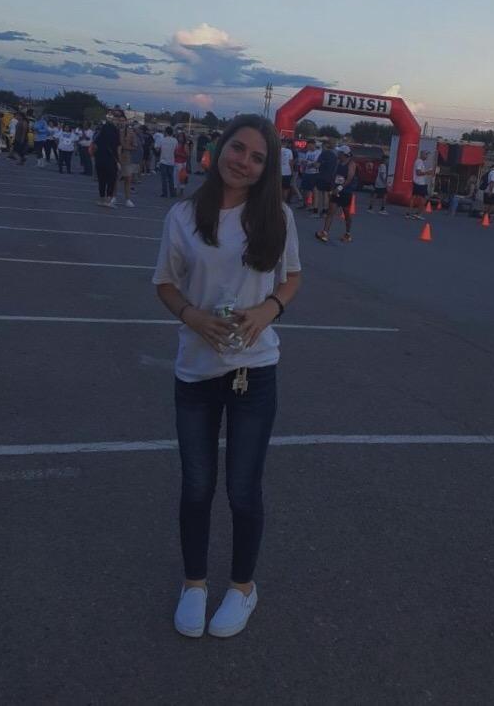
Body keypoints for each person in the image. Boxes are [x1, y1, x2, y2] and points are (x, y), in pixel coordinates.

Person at [153, 114, 301, 639]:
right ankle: (194, 584)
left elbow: (292, 276)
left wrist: (268, 310)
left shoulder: (277, 216)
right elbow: (165, 283)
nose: (244, 162)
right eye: (238, 148)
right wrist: (191, 316)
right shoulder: (183, 215)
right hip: (195, 369)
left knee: (242, 489)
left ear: (268, 168)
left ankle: (242, 588)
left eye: (258, 157)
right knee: (197, 486)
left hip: (253, 371)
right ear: (219, 149)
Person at [315, 145, 357, 243]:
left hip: (346, 192)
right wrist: (332, 188)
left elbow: (349, 178)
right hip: (335, 191)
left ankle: (347, 234)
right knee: (330, 212)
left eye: (339, 152)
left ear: (343, 154)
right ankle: (325, 233)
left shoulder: (351, 164)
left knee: (347, 214)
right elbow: (334, 176)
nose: (337, 154)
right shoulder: (338, 162)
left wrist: (340, 188)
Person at [92, 120, 120, 207]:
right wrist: (119, 161)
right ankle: (108, 199)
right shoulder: (115, 138)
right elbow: (118, 150)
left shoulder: (99, 137)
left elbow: (94, 148)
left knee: (101, 181)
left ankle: (101, 199)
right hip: (111, 161)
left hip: (100, 161)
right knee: (111, 181)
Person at [310, 139, 337, 217]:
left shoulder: (323, 154)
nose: (322, 148)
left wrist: (312, 164)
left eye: (322, 146)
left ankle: (315, 211)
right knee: (326, 194)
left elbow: (317, 165)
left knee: (316, 192)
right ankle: (325, 211)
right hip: (330, 177)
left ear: (325, 146)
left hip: (322, 176)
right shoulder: (334, 155)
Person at [407, 149, 433, 220]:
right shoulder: (419, 162)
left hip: (420, 183)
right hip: (419, 183)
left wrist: (427, 172)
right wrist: (427, 172)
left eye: (427, 154)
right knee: (423, 198)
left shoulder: (421, 162)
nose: (427, 156)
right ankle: (416, 214)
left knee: (415, 197)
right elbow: (418, 173)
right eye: (426, 154)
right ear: (422, 155)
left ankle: (411, 213)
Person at [118, 121, 138, 208]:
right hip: (116, 157)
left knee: (128, 179)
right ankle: (112, 197)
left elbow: (135, 146)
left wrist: (125, 147)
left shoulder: (131, 133)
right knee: (115, 179)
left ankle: (128, 199)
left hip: (127, 158)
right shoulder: (117, 132)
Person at [298, 139, 320, 210]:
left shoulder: (318, 152)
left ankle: (313, 206)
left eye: (310, 146)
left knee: (314, 190)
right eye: (308, 146)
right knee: (304, 189)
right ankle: (305, 204)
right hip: (306, 173)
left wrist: (308, 163)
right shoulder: (308, 152)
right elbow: (305, 162)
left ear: (314, 145)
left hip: (314, 173)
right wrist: (304, 166)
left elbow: (316, 164)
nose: (309, 147)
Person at [158, 126, 177, 198]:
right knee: (171, 178)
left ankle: (165, 193)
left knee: (164, 179)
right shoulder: (175, 140)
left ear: (166, 132)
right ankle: (172, 193)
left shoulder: (162, 140)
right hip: (171, 161)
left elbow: (158, 149)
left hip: (163, 161)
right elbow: (176, 150)